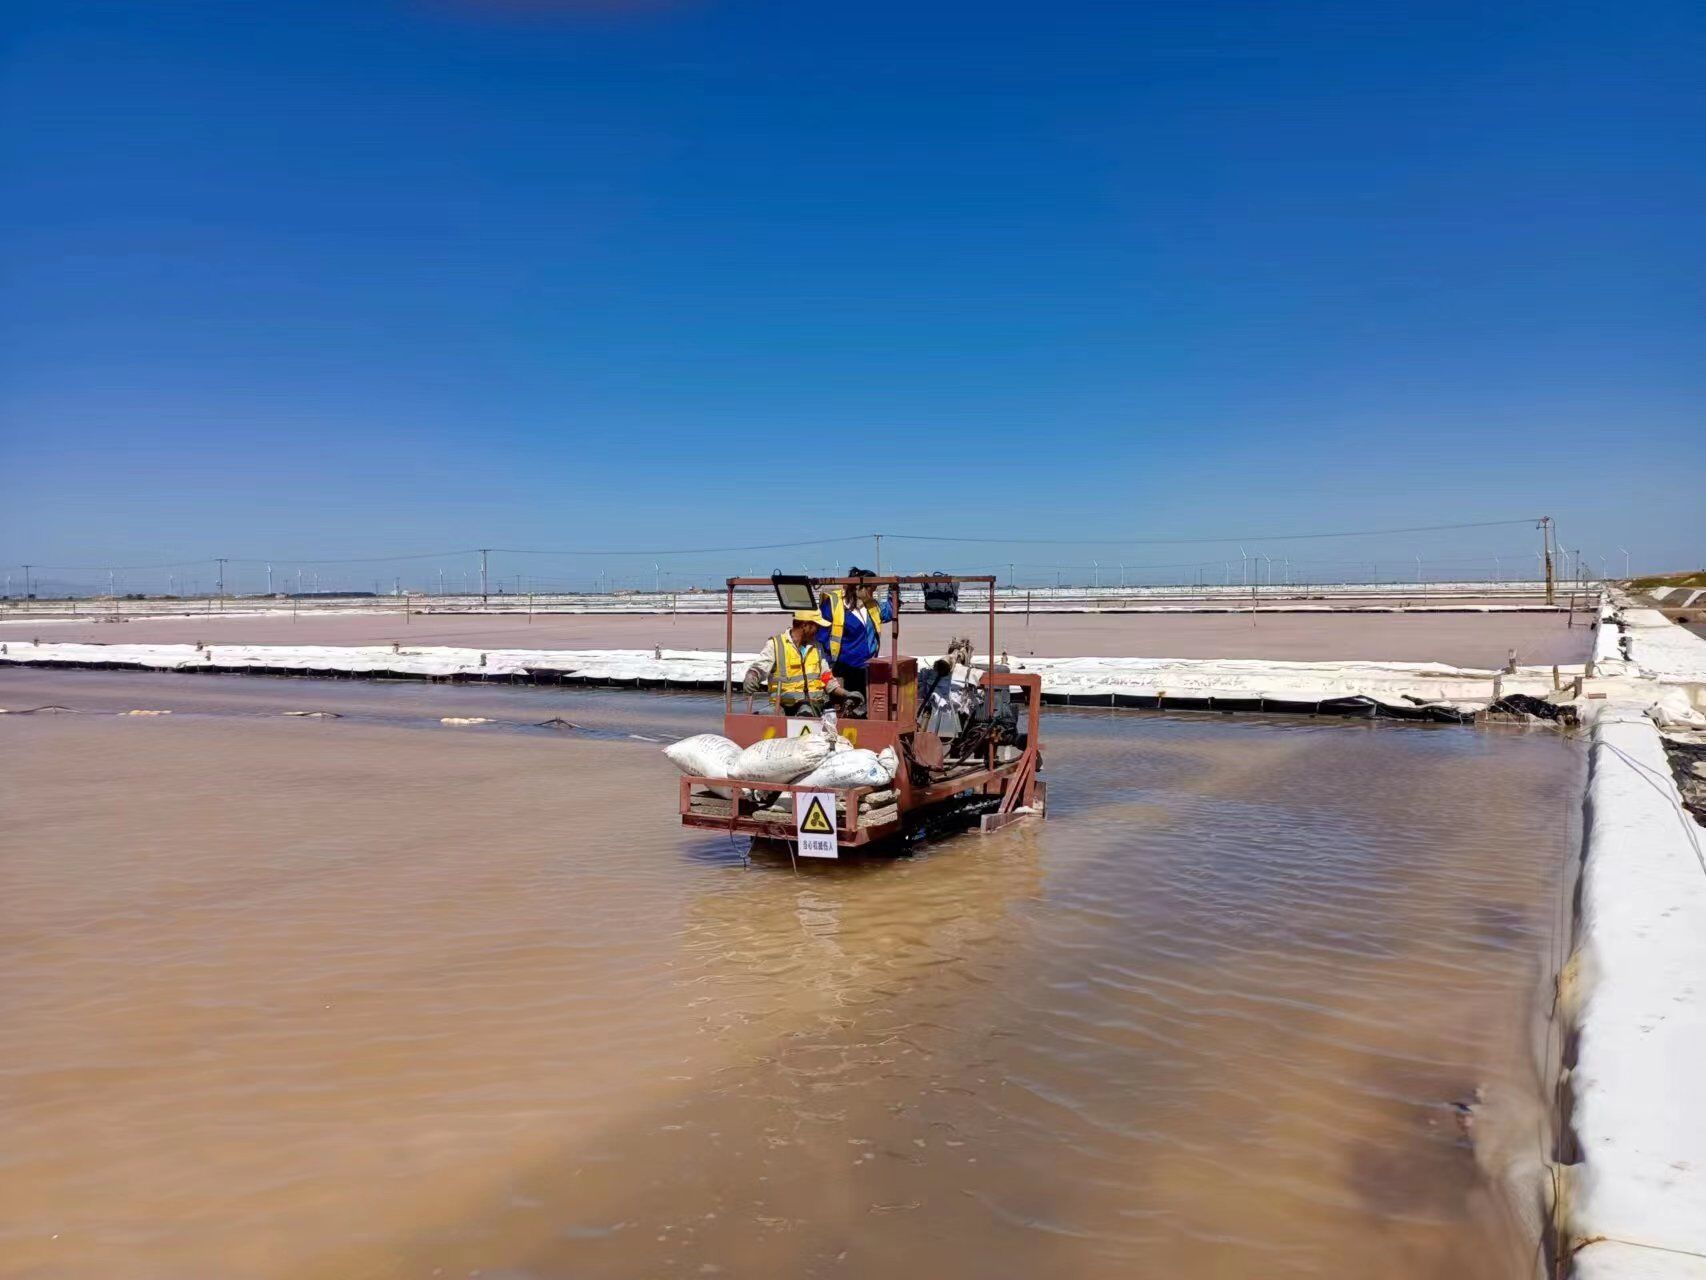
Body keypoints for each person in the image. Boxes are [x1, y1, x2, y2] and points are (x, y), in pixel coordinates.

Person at [742, 610, 848, 715]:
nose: (818, 630)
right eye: (817, 626)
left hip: (812, 705)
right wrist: (752, 675)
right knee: (765, 715)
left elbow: (826, 677)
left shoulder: (817, 647)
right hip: (780, 705)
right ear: (805, 626)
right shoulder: (775, 645)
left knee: (805, 711)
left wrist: (845, 694)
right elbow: (760, 667)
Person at [817, 569, 893, 711]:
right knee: (843, 706)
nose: (873, 592)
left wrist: (893, 592)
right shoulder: (833, 605)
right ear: (860, 587)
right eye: (872, 588)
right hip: (842, 668)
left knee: (862, 705)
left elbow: (888, 612)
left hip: (865, 667)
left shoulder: (870, 606)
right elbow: (821, 636)